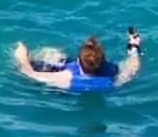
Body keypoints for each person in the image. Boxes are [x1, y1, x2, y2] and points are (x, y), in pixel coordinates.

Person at [13, 28, 142, 92]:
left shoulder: (65, 78)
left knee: (52, 54)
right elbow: (133, 65)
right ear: (102, 61)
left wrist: (22, 55)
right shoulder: (114, 80)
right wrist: (134, 45)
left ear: (79, 60)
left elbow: (29, 73)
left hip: (63, 92)